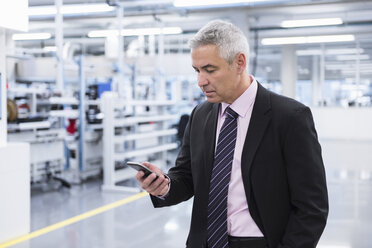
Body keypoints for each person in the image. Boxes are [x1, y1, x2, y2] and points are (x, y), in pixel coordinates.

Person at [135, 20, 328, 248]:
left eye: (210, 70)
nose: (200, 81)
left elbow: (312, 207)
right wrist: (164, 186)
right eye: (197, 71)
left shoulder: (289, 117)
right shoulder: (200, 115)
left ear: (239, 63)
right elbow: (186, 176)